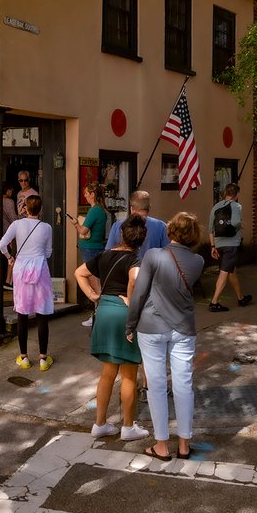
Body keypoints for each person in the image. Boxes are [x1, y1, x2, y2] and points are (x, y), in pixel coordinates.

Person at [125, 212, 204, 462]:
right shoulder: (198, 261)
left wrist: (130, 324)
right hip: (183, 327)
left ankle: (161, 445)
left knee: (156, 386)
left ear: (170, 231)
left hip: (151, 325)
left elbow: (139, 294)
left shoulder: (153, 256)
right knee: (183, 385)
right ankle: (184, 443)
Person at [75, 214, 149, 441]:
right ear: (141, 241)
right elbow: (135, 278)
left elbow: (79, 272)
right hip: (122, 314)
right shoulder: (136, 261)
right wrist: (131, 297)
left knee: (107, 373)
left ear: (121, 234)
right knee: (128, 374)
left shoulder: (104, 255)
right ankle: (128, 426)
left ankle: (100, 423)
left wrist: (93, 295)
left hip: (104, 311)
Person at [0, 193, 54, 371]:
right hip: (40, 270)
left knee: (22, 314)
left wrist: (9, 257)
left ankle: (24, 357)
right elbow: (48, 253)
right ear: (41, 209)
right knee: (42, 315)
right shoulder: (46, 228)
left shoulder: (17, 224)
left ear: (25, 208)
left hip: (21, 269)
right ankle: (43, 359)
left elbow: (2, 244)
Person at [207, 182, 252, 311]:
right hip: (231, 245)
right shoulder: (236, 206)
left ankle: (241, 298)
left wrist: (212, 246)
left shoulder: (215, 207)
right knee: (224, 273)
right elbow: (236, 222)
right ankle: (214, 302)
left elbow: (210, 229)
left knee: (231, 271)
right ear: (236, 194)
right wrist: (240, 226)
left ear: (226, 193)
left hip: (219, 243)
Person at [73, 182, 109, 327]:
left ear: (93, 194)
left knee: (94, 285)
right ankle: (97, 315)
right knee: (96, 282)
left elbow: (83, 231)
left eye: (87, 193)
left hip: (91, 249)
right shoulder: (101, 210)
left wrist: (75, 223)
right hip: (95, 248)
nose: (85, 195)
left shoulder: (95, 211)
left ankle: (97, 316)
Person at [105, 190, 169, 259]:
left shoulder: (118, 226)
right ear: (149, 207)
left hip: (125, 268)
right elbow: (167, 255)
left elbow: (108, 253)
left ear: (131, 208)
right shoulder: (161, 227)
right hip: (152, 269)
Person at [1, 181, 18, 288]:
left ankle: (6, 280)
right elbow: (13, 218)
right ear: (7, 190)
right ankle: (8, 280)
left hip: (0, 231)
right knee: (13, 255)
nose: (12, 192)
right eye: (11, 190)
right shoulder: (9, 202)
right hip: (10, 232)